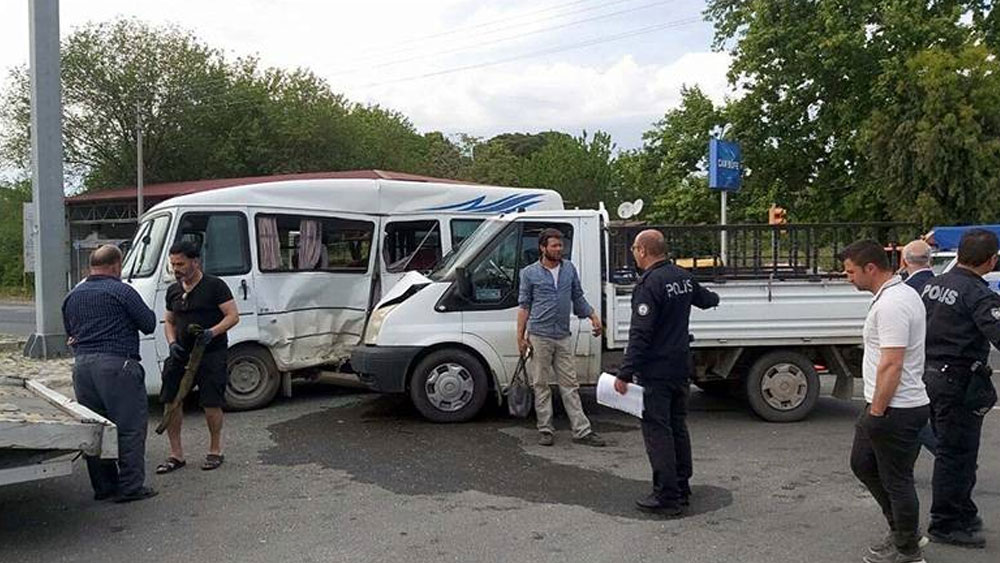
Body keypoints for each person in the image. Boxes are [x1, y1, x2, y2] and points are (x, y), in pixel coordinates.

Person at [614, 230, 719, 516]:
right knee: (677, 426)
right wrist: (713, 298)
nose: (634, 253)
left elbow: (640, 333)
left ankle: (667, 496)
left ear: (644, 251)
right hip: (680, 366)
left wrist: (624, 373)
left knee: (658, 431)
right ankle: (682, 487)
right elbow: (708, 299)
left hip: (656, 371)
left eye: (635, 248)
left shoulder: (649, 284)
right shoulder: (681, 276)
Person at [841, 240, 929, 563]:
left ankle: (907, 549)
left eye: (850, 271)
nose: (846, 276)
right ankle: (902, 531)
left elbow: (892, 363)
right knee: (863, 463)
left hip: (896, 408)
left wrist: (877, 412)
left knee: (897, 480)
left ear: (871, 268)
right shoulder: (894, 296)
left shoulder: (893, 303)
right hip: (886, 405)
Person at [920, 228, 1000, 548]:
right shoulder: (979, 294)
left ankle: (962, 511)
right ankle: (946, 522)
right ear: (992, 261)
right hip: (958, 381)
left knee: (952, 452)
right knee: (957, 455)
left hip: (931, 376)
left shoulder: (934, 284)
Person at [62, 245, 158, 503]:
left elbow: (70, 333)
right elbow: (148, 324)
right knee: (129, 428)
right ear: (116, 265)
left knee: (95, 429)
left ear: (90, 267)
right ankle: (130, 487)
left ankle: (104, 486)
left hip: (82, 368)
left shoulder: (72, 296)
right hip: (117, 366)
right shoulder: (122, 291)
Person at [517, 228, 606, 447]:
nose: (559, 249)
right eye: (554, 245)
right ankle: (545, 429)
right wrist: (520, 336)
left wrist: (593, 317)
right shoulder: (529, 273)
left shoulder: (569, 269)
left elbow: (578, 297)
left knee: (570, 384)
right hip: (539, 335)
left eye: (560, 245)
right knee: (541, 384)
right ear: (543, 247)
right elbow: (524, 306)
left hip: (562, 335)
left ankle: (582, 431)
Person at [156, 240, 239, 473]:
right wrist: (172, 343)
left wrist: (211, 333)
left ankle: (215, 451)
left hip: (211, 352)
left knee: (211, 402)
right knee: (171, 400)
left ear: (195, 261)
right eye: (173, 264)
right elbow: (169, 321)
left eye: (181, 263)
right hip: (181, 353)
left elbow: (232, 316)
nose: (176, 269)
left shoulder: (215, 286)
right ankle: (176, 455)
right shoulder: (173, 290)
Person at [900, 239, 939, 456]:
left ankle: (945, 454)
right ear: (930, 261)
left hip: (916, 360)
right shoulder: (940, 286)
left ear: (904, 262)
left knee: (914, 417)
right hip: (939, 359)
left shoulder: (905, 291)